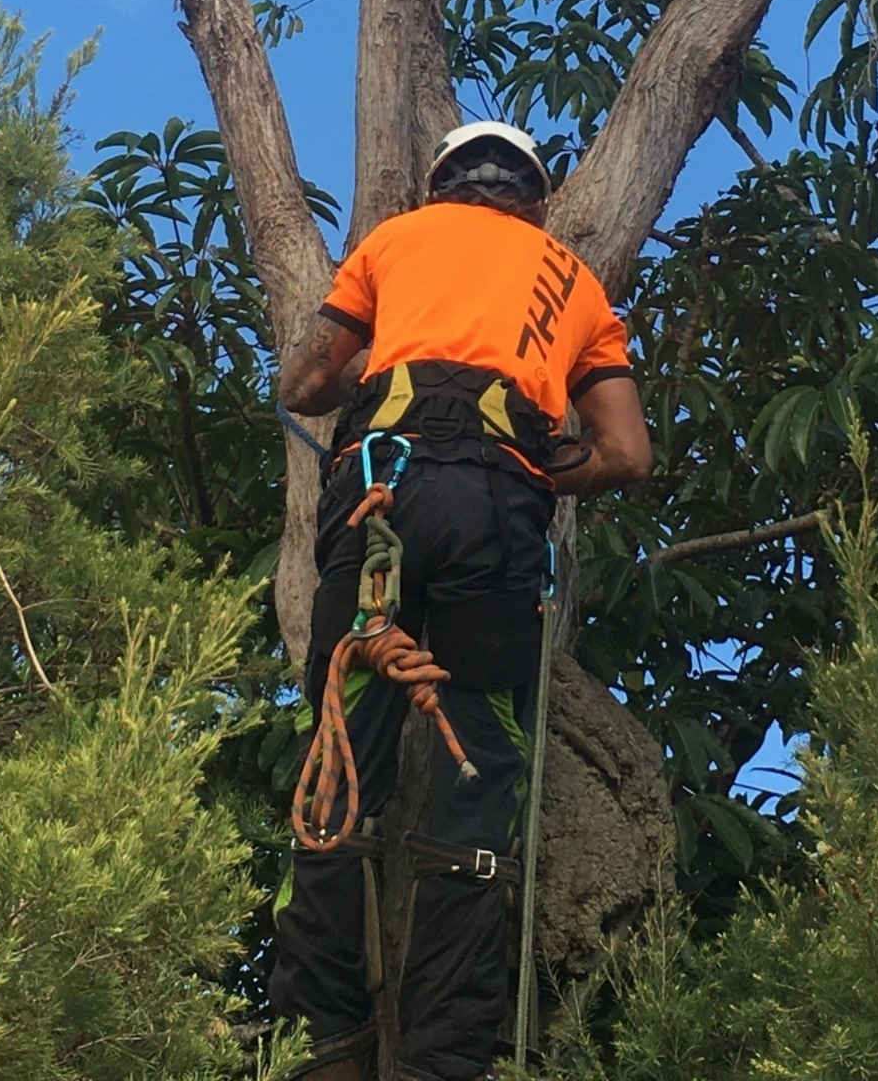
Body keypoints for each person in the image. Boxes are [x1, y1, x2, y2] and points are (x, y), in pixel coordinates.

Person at [271, 121, 652, 1081]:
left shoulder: (392, 242)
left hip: (379, 494)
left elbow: (305, 383)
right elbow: (627, 456)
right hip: (495, 517)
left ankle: (329, 1047)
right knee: (480, 779)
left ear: (443, 186)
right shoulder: (578, 283)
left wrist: (389, 378)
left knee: (338, 766)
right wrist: (535, 464)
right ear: (534, 198)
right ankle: (442, 1061)